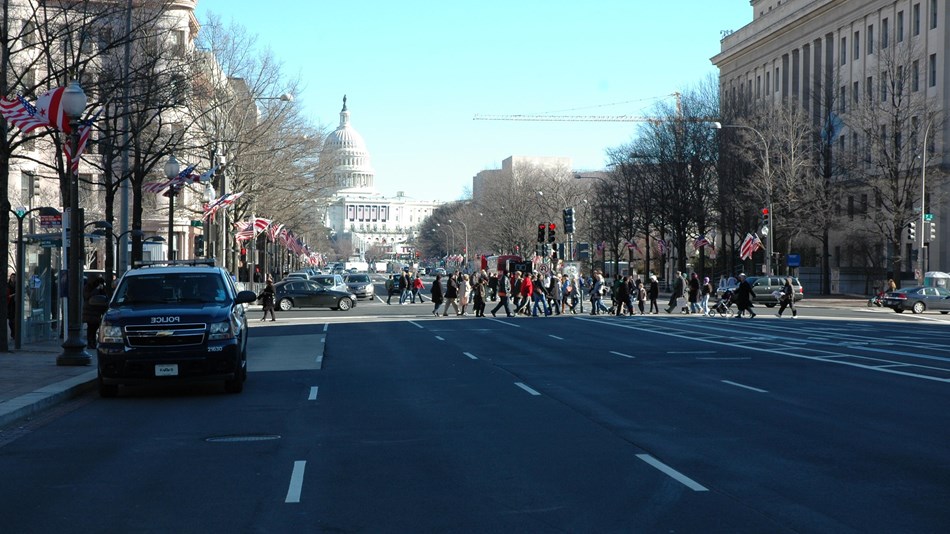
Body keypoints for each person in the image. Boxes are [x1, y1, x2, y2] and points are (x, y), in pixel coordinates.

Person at [82, 275, 108, 348]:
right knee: (91, 328)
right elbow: (87, 296)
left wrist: (102, 289)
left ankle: (92, 342)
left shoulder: (100, 288)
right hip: (90, 310)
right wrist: (97, 289)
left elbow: (105, 296)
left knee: (94, 327)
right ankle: (90, 342)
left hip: (96, 310)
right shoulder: (88, 287)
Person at [7, 272, 16, 338]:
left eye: (14, 277)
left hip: (15, 304)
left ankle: (14, 334)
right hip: (10, 304)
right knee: (11, 321)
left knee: (14, 320)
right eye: (12, 277)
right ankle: (13, 333)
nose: (13, 278)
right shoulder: (8, 285)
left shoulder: (17, 285)